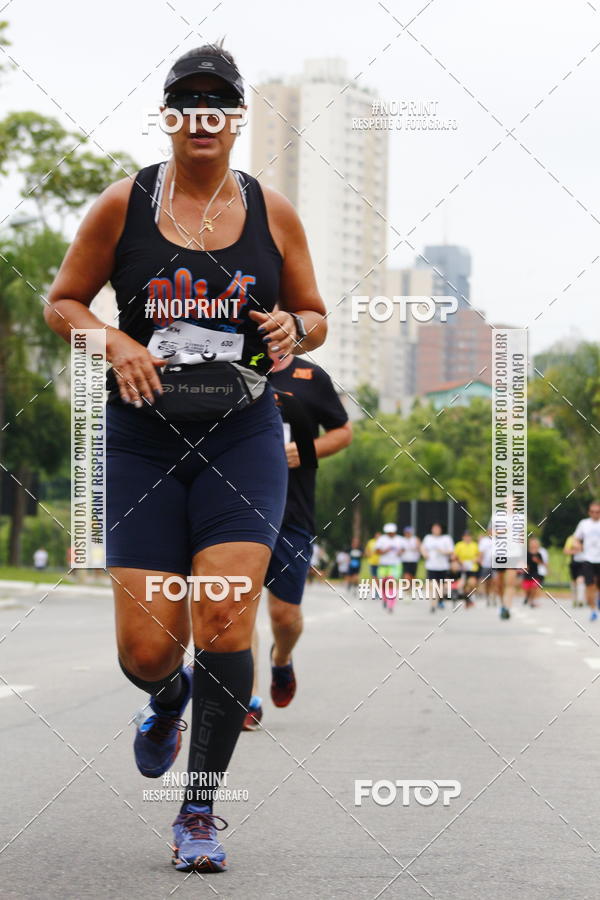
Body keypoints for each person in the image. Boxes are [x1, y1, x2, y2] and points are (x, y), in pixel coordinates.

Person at [45, 43, 327, 873]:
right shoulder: (123, 205)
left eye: (218, 103)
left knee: (226, 616)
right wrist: (112, 340)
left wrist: (294, 327)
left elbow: (314, 314)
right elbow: (64, 302)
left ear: (236, 119)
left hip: (241, 437)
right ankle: (168, 700)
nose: (203, 116)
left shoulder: (274, 213)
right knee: (146, 652)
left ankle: (198, 811)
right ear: (169, 116)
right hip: (142, 441)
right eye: (187, 101)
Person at [243, 354, 351, 729]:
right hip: (237, 506)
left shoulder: (310, 375)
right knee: (237, 608)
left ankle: (282, 658)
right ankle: (246, 697)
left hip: (292, 511)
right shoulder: (230, 362)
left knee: (284, 617)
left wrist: (306, 450)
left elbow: (342, 431)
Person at [574, 501, 600, 621]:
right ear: (589, 512)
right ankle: (593, 610)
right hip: (588, 559)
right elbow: (576, 538)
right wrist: (578, 545)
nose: (595, 514)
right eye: (592, 512)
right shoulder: (584, 523)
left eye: (597, 512)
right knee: (590, 585)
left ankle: (597, 600)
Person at [421, 523, 454, 613]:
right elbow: (423, 548)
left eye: (437, 528)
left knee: (441, 587)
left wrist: (443, 551)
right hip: (431, 566)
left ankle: (440, 600)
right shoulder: (428, 538)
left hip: (442, 566)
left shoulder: (446, 538)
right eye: (434, 528)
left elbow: (451, 551)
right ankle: (433, 605)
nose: (436, 530)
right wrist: (424, 554)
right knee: (432, 585)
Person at [375, 523, 405, 612]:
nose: (390, 534)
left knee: (391, 583)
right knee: (384, 583)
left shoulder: (400, 539)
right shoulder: (382, 539)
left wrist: (400, 552)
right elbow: (377, 551)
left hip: (395, 565)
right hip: (384, 564)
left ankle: (391, 604)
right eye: (389, 532)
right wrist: (385, 551)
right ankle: (385, 598)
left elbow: (403, 549)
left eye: (392, 532)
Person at [453, 530, 479, 608]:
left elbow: (479, 556)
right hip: (462, 568)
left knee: (472, 583)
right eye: (466, 536)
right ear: (463, 537)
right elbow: (454, 556)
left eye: (469, 536)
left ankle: (468, 598)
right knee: (462, 584)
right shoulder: (459, 545)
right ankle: (467, 599)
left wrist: (475, 559)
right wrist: (460, 562)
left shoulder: (474, 545)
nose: (467, 538)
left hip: (472, 568)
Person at [563, 533, 586, 608]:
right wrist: (575, 550)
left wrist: (580, 547)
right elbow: (566, 551)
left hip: (584, 563)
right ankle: (574, 599)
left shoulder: (587, 538)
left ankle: (580, 600)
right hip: (573, 563)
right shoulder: (571, 539)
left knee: (581, 580)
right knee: (574, 582)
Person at [521, 537, 544, 607]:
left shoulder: (538, 554)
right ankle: (527, 597)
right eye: (532, 543)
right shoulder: (526, 553)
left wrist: (537, 561)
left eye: (535, 543)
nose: (534, 545)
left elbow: (541, 563)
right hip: (527, 573)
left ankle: (532, 601)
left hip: (535, 573)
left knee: (534, 586)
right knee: (527, 589)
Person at [399, 526, 421, 600]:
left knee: (412, 577)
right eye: (406, 532)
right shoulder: (402, 540)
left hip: (413, 561)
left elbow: (419, 548)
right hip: (405, 560)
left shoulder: (415, 539)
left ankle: (411, 589)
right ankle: (407, 590)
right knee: (406, 576)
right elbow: (400, 550)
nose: (408, 534)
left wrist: (416, 547)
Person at [478, 528, 496, 606]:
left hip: (496, 565)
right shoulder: (484, 541)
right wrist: (480, 561)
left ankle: (494, 597)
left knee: (495, 582)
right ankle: (488, 597)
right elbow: (481, 552)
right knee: (487, 582)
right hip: (486, 565)